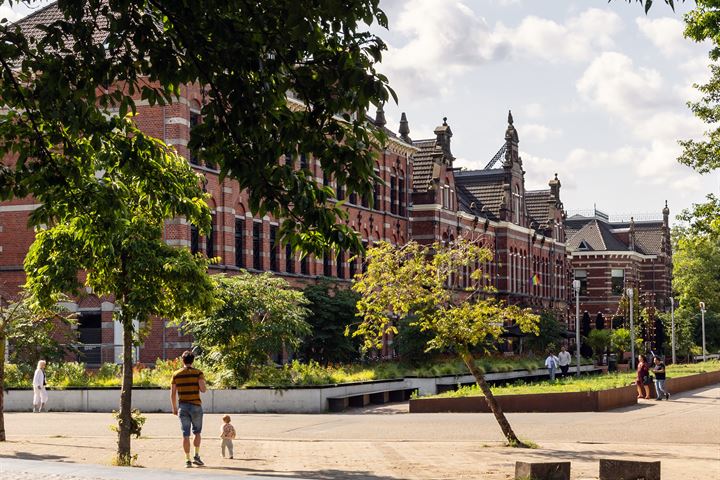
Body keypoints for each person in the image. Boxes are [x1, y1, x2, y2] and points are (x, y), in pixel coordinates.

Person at [171, 351, 207, 468]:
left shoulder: (176, 374)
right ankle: (196, 456)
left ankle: (187, 460)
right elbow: (203, 390)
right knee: (197, 432)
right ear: (193, 360)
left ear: (182, 360)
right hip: (196, 406)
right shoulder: (198, 373)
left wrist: (174, 408)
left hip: (183, 407)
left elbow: (172, 394)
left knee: (185, 434)